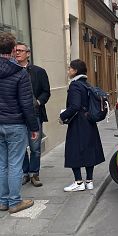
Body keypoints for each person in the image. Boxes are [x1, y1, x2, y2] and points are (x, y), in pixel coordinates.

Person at [0, 32, 39, 213]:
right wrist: (34, 127)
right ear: (14, 50)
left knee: (2, 164)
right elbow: (26, 103)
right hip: (15, 123)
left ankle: (3, 201)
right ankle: (14, 202)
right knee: (15, 163)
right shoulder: (20, 73)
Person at [59, 59, 105, 192]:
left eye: (69, 69)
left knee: (74, 150)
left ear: (75, 71)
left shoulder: (75, 86)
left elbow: (75, 106)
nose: (68, 71)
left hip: (78, 123)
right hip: (89, 121)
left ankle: (79, 182)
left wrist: (62, 116)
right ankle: (89, 181)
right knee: (89, 150)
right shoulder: (86, 84)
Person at [15, 42, 51, 187]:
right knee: (21, 147)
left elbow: (46, 91)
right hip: (17, 116)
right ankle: (25, 173)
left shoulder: (38, 71)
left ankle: (34, 173)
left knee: (35, 147)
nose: (17, 53)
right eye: (15, 50)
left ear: (28, 54)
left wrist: (38, 102)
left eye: (20, 50)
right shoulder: (12, 70)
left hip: (35, 114)